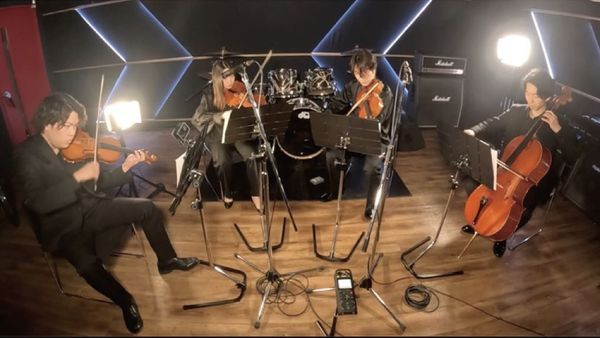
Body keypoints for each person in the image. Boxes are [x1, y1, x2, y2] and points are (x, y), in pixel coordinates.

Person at [15, 93, 200, 334]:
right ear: (48, 124)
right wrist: (77, 177)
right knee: (88, 266)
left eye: (75, 125)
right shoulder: (25, 157)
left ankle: (167, 260)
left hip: (90, 207)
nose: (73, 133)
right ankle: (125, 301)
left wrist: (124, 167)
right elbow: (39, 202)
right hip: (62, 226)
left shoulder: (70, 147)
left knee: (147, 208)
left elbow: (95, 182)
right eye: (67, 126)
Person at [460, 68, 580, 257]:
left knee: (521, 204)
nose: (530, 99)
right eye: (527, 93)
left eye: (536, 95)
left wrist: (559, 131)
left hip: (534, 181)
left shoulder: (557, 122)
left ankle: (502, 235)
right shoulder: (516, 111)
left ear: (548, 96)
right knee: (469, 180)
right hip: (506, 169)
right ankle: (480, 221)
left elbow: (573, 156)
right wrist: (474, 130)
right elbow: (493, 122)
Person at [324, 49, 396, 220]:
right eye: (356, 74)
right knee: (331, 155)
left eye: (363, 74)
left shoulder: (385, 93)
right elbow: (338, 101)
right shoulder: (354, 86)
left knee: (372, 168)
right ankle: (335, 191)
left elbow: (381, 123)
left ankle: (371, 206)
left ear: (373, 69)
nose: (360, 78)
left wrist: (369, 108)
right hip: (354, 135)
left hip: (376, 139)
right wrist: (328, 109)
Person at [191, 60, 261, 210]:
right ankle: (227, 192)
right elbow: (197, 118)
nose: (231, 80)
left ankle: (255, 193)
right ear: (217, 78)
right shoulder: (209, 94)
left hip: (237, 133)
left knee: (252, 155)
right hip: (218, 135)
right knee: (222, 161)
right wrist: (218, 116)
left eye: (232, 75)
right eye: (226, 77)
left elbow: (251, 106)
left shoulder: (239, 87)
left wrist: (249, 102)